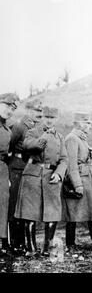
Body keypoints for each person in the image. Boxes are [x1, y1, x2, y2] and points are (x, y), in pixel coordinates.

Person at [14, 106, 68, 257]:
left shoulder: (60, 137)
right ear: (41, 117)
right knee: (30, 214)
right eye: (46, 117)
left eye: (52, 118)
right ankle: (31, 249)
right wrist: (45, 136)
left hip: (51, 177)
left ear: (56, 119)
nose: (49, 121)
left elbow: (64, 159)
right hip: (33, 175)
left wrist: (59, 174)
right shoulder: (33, 132)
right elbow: (29, 146)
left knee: (52, 213)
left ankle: (47, 248)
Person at [62, 112, 92, 253]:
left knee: (91, 212)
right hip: (80, 180)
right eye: (88, 123)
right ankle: (71, 244)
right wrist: (77, 185)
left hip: (87, 179)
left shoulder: (81, 139)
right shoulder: (72, 139)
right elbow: (71, 164)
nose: (90, 126)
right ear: (80, 124)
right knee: (73, 214)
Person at [8, 98, 42, 254]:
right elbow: (8, 145)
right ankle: (15, 244)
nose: (39, 114)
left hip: (29, 169)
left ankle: (25, 243)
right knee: (15, 206)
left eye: (40, 112)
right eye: (36, 111)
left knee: (26, 208)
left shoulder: (36, 128)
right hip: (16, 168)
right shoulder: (19, 126)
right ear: (28, 110)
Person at [0, 93, 19, 256]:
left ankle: (3, 243)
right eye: (6, 106)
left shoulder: (7, 128)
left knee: (3, 205)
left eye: (12, 108)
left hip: (3, 168)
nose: (9, 111)